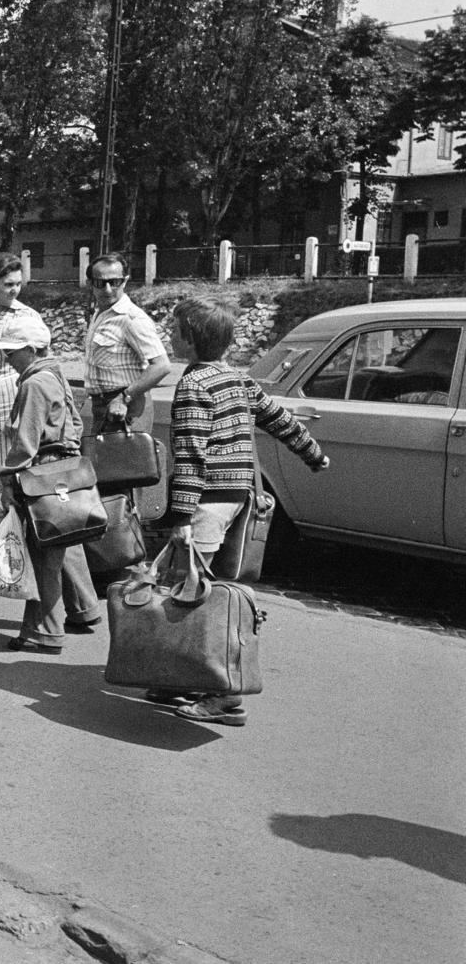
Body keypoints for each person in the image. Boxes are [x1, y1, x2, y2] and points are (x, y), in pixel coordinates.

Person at [159, 295, 330, 726]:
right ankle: (179, 675)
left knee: (198, 596)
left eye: (175, 330)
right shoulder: (237, 378)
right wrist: (313, 455)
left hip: (208, 501)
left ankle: (224, 693)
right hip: (237, 497)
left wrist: (180, 517)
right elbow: (280, 419)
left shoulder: (194, 385)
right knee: (197, 590)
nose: (170, 335)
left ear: (192, 340)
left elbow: (191, 454)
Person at [0, 314, 103, 653]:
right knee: (67, 536)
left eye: (12, 352)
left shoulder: (33, 383)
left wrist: (8, 479)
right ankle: (84, 608)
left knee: (43, 554)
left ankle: (43, 633)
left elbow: (25, 442)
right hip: (64, 468)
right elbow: (76, 422)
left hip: (43, 472)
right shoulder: (55, 374)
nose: (8, 358)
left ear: (32, 349)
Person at [0, 254, 44, 487]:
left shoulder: (25, 316)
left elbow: (40, 365)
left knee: (2, 471)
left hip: (8, 403)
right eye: (8, 285)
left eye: (18, 283)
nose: (15, 290)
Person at [83, 252, 169, 434]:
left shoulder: (131, 318)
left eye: (114, 282)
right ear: (91, 283)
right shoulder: (100, 313)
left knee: (127, 461)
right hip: (103, 406)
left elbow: (161, 366)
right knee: (101, 461)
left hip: (126, 409)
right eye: (100, 283)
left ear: (125, 281)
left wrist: (124, 397)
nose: (107, 289)